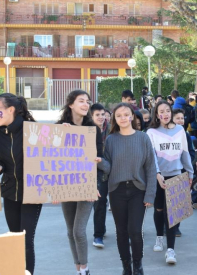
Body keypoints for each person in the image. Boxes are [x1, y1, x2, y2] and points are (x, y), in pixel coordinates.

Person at [0, 93, 41, 275]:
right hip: (10, 191)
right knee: (14, 239)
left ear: (10, 110)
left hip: (32, 193)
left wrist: (66, 129)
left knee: (26, 240)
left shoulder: (32, 129)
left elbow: (53, 153)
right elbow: (0, 160)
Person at [103, 103, 157, 275]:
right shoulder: (111, 140)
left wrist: (150, 194)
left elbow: (150, 168)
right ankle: (126, 266)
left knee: (135, 230)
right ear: (114, 119)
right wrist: (98, 162)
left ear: (132, 117)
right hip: (117, 190)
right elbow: (107, 167)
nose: (123, 118)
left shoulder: (143, 138)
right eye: (119, 115)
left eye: (126, 114)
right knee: (121, 231)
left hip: (138, 190)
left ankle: (138, 265)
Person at [55, 90, 106, 275]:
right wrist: (62, 137)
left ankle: (85, 269)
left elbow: (98, 159)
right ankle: (77, 268)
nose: (86, 104)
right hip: (66, 185)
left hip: (86, 185)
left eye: (87, 101)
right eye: (81, 101)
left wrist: (96, 184)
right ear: (71, 104)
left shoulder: (93, 130)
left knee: (78, 230)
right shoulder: (58, 127)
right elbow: (51, 160)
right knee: (70, 231)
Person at [146, 100, 194, 264]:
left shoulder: (180, 130)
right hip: (158, 177)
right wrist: (157, 173)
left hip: (177, 175)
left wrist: (190, 172)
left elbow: (185, 152)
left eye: (168, 110)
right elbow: (151, 156)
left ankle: (171, 250)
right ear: (156, 114)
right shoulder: (151, 132)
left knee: (172, 212)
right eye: (161, 111)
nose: (165, 114)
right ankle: (159, 237)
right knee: (159, 208)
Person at [90, 103, 111, 248]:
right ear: (91, 116)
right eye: (97, 115)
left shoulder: (112, 129)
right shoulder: (86, 131)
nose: (101, 117)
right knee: (99, 204)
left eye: (103, 114)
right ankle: (98, 235)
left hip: (113, 169)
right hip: (95, 173)